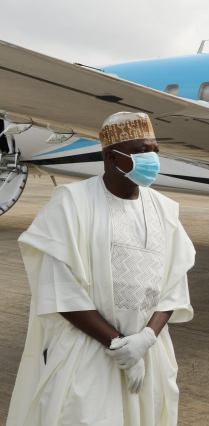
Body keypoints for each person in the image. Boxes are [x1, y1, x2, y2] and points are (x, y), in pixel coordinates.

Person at [7, 112, 195, 426]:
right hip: (90, 354)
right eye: (139, 151)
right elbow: (59, 288)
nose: (150, 159)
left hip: (149, 354)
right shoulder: (71, 203)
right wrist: (118, 344)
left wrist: (145, 340)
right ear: (110, 156)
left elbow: (175, 286)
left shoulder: (165, 209)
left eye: (154, 151)